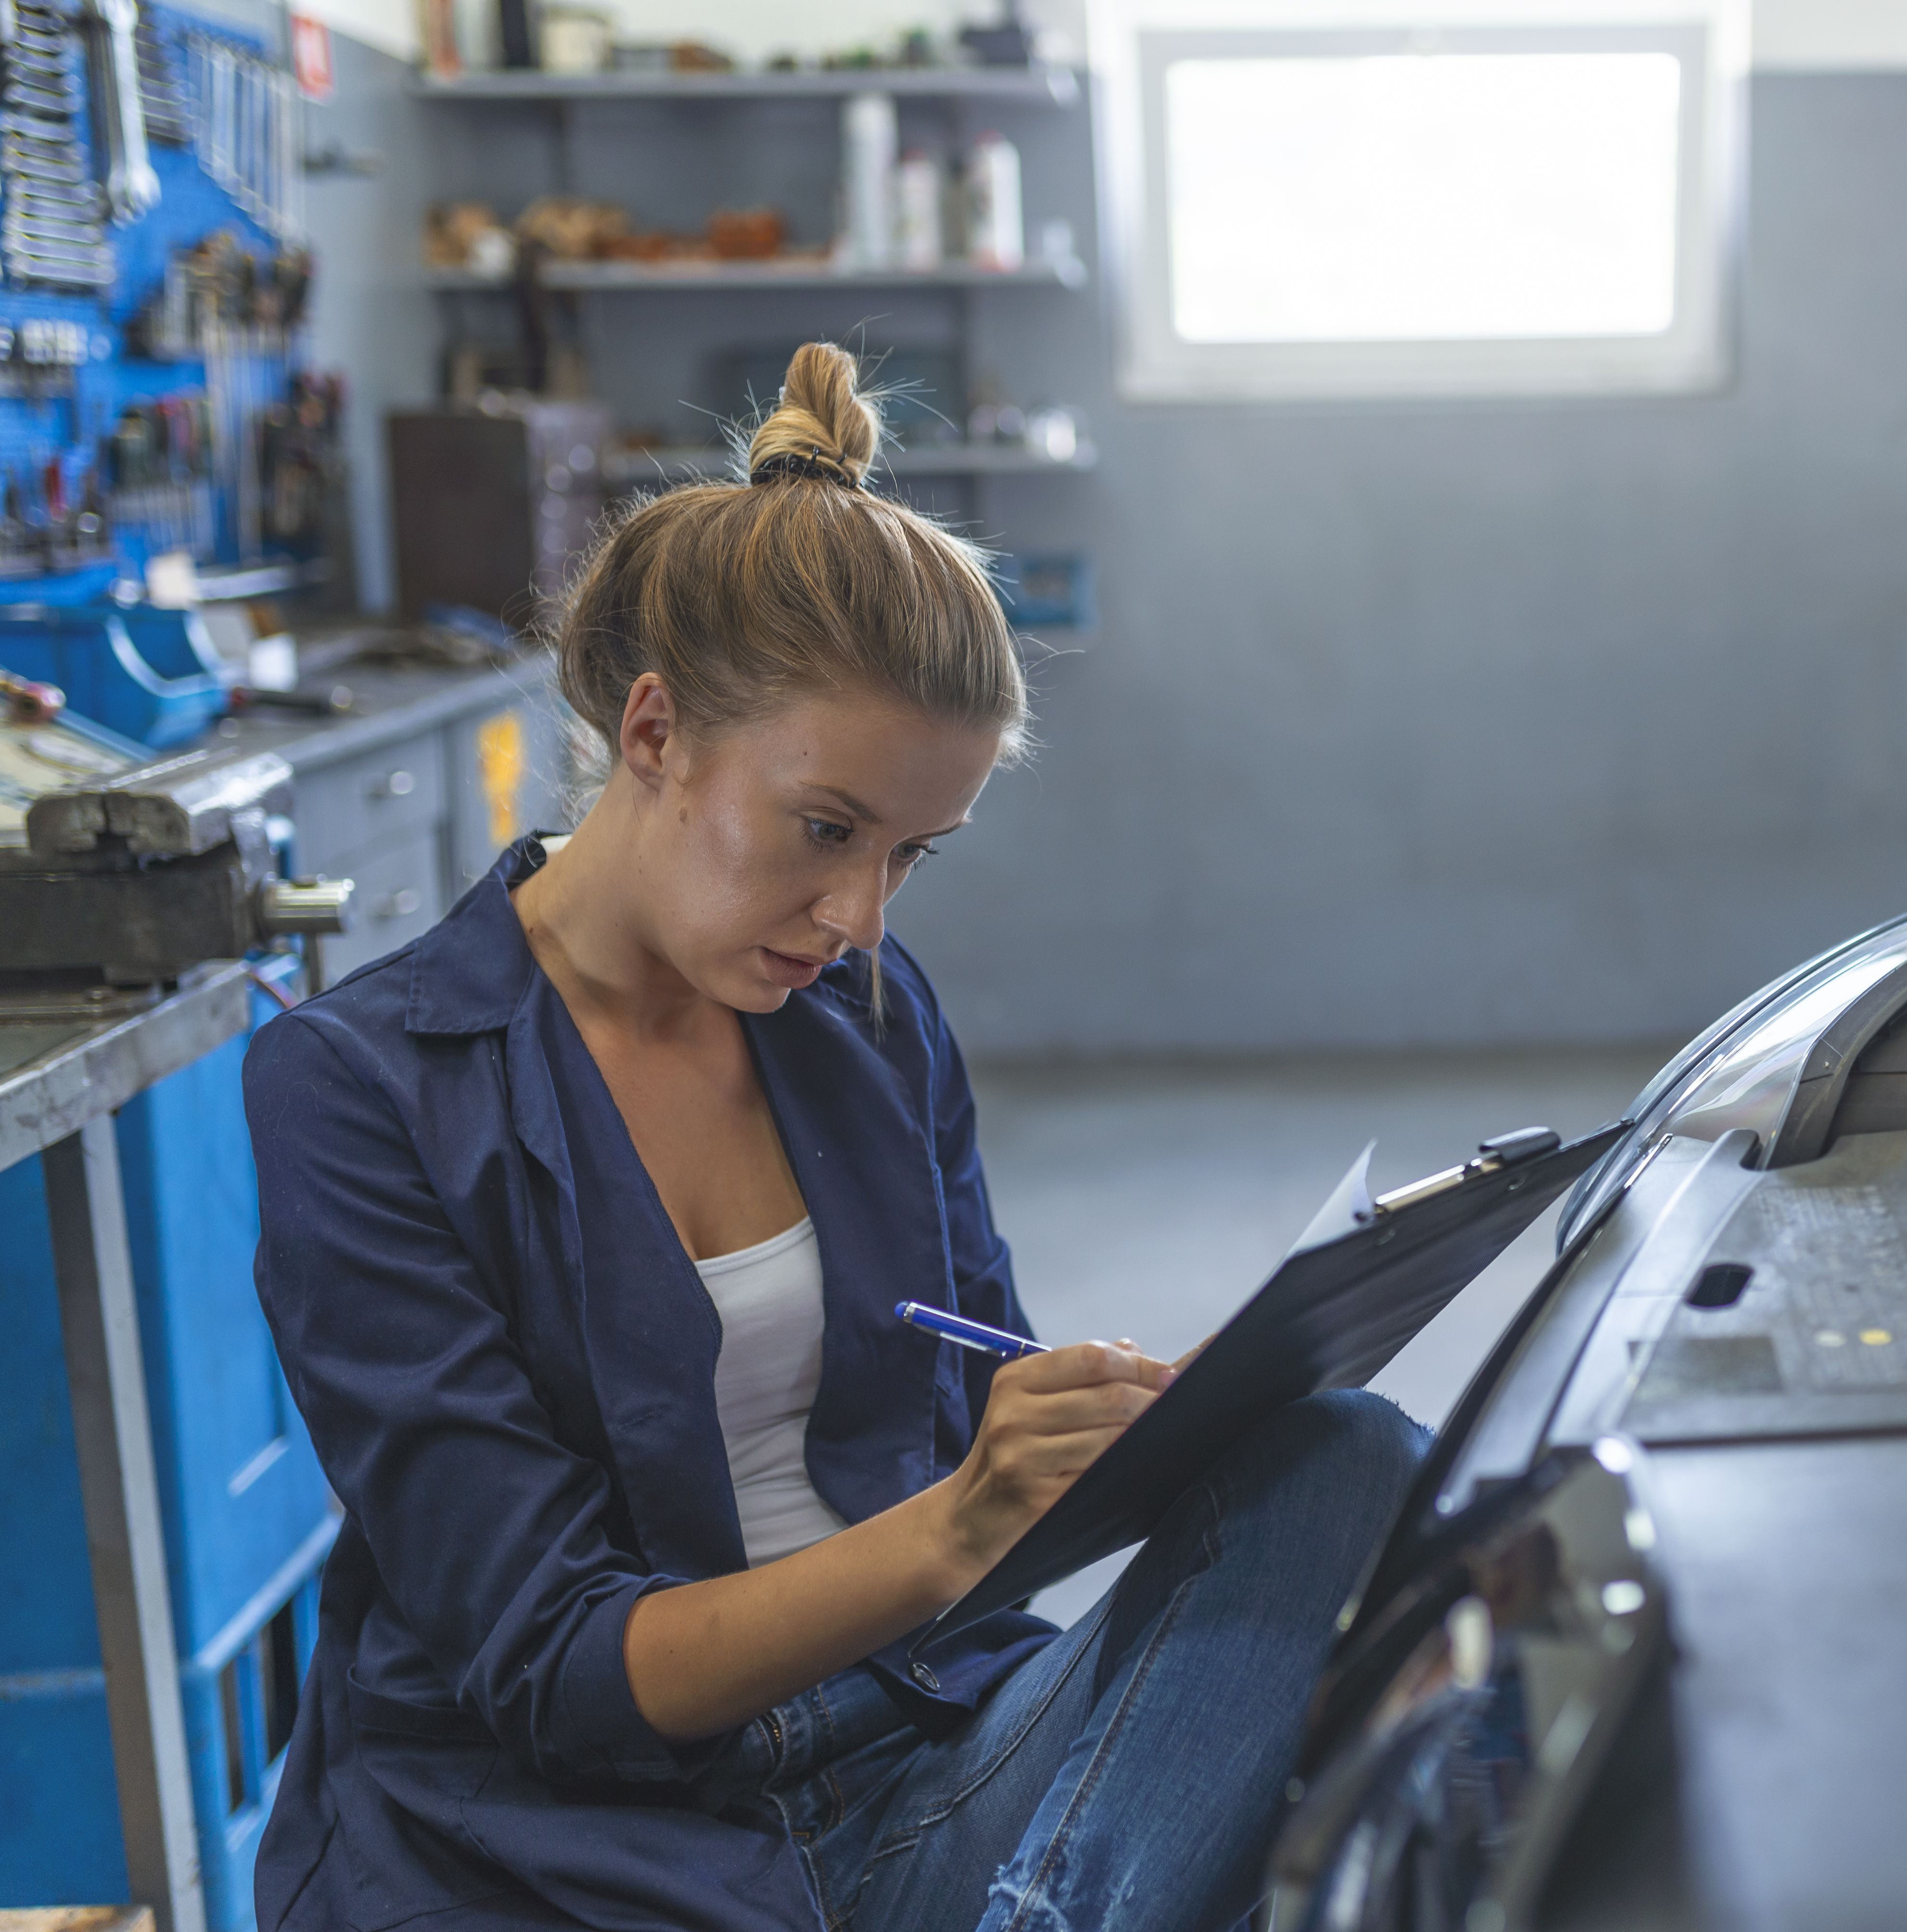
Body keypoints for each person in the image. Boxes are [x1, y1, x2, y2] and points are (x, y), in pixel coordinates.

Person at [244, 342, 1426, 1932]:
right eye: (825, 832)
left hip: (922, 1741)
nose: (858, 916)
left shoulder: (868, 1018)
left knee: (1353, 1458)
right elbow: (557, 1670)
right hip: (579, 1846)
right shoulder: (361, 1087)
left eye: (913, 856)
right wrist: (959, 1527)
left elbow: (977, 1400)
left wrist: (1130, 1428)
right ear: (653, 734)